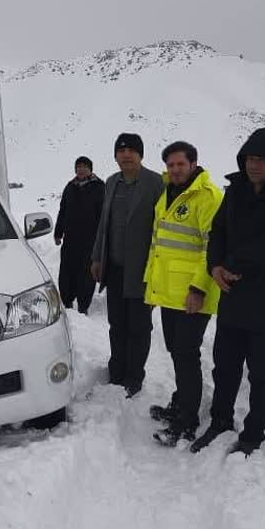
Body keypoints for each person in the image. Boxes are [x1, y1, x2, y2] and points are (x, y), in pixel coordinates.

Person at [189, 127, 265, 456]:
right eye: (250, 158)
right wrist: (215, 266)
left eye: (262, 160)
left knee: (262, 373)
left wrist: (232, 265)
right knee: (224, 366)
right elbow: (217, 232)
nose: (253, 165)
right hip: (233, 295)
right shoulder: (236, 190)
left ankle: (253, 435)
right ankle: (220, 421)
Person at [142, 141, 223, 446]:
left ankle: (187, 421)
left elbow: (212, 247)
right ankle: (180, 403)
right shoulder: (168, 192)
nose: (175, 169)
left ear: (193, 164)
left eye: (180, 164)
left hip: (193, 294)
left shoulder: (208, 197)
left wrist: (198, 288)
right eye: (170, 165)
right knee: (177, 352)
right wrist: (152, 288)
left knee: (187, 355)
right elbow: (159, 246)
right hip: (170, 293)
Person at [91, 133, 165, 397]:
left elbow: (162, 229)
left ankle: (134, 376)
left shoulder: (156, 183)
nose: (126, 155)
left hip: (142, 270)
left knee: (139, 327)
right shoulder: (112, 182)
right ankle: (117, 371)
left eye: (131, 150)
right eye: (121, 151)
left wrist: (158, 271)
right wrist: (97, 257)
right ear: (115, 156)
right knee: (117, 324)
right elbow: (105, 223)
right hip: (115, 269)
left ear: (140, 155)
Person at [54, 156, 105, 314]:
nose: (81, 169)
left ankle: (83, 306)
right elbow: (63, 211)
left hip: (90, 241)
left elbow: (104, 215)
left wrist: (102, 238)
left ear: (90, 169)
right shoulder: (70, 187)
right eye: (78, 167)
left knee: (86, 275)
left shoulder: (99, 187)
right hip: (70, 240)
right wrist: (58, 232)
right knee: (67, 273)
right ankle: (67, 302)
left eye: (84, 166)